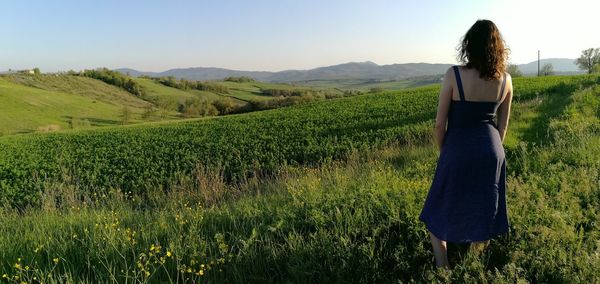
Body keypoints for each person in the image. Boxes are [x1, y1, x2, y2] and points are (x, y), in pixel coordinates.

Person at [419, 19, 513, 268]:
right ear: (498, 48)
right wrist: (489, 151)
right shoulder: (506, 80)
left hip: (457, 148)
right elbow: (502, 127)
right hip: (492, 150)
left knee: (438, 209)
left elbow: (440, 125)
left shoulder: (454, 75)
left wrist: (447, 151)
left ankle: (443, 267)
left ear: (468, 45)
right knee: (484, 206)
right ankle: (473, 263)